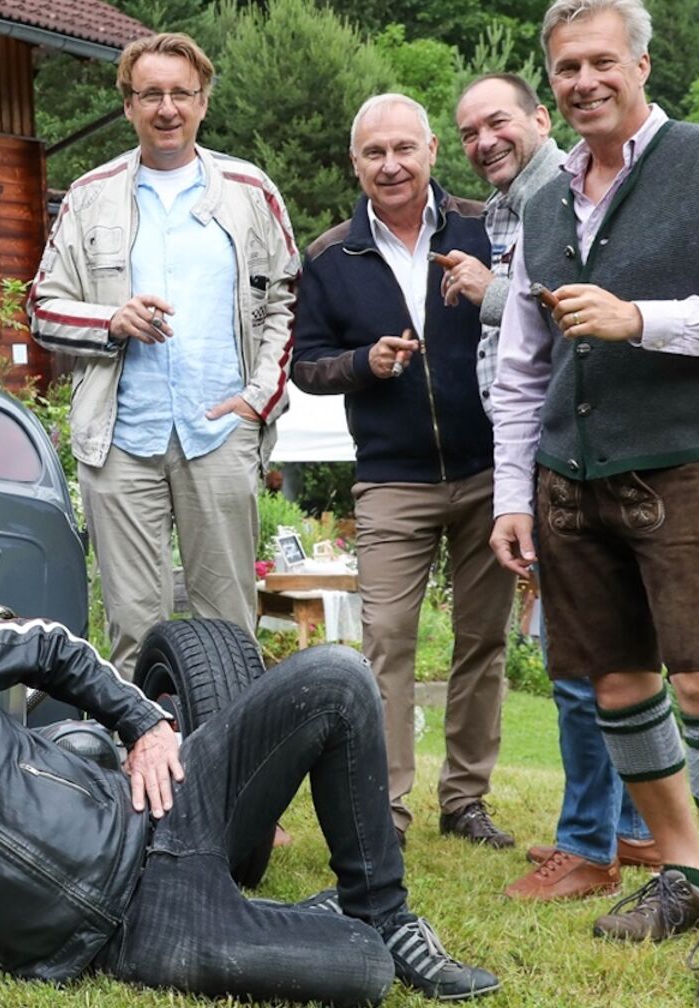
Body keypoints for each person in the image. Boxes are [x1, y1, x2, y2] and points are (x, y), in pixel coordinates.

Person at [0, 580, 499, 1006]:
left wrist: (145, 723)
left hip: (151, 808)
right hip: (126, 929)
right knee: (358, 976)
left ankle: (383, 913)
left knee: (335, 676)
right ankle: (343, 929)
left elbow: (50, 648)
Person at [488, 0, 699, 999]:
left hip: (685, 466)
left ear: (641, 63)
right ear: (553, 86)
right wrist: (512, 493)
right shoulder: (544, 205)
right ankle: (680, 870)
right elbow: (522, 367)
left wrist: (641, 319)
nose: (584, 82)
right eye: (566, 69)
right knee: (618, 687)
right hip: (569, 478)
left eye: (601, 62)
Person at [449, 72, 660, 903]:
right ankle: (633, 830)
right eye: (468, 131)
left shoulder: (565, 198)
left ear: (540, 120)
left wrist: (484, 291)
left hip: (568, 449)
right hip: (546, 450)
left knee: (578, 656)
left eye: (497, 121)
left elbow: (559, 318)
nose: (483, 140)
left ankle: (588, 845)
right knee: (607, 650)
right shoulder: (514, 207)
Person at [28, 32, 298, 671]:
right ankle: (136, 766)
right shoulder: (91, 195)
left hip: (219, 431)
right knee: (132, 631)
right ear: (129, 105)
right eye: (151, 94)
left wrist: (258, 401)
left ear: (204, 102)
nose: (167, 108)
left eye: (182, 93)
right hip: (121, 438)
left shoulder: (249, 189)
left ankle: (232, 766)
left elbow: (288, 299)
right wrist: (111, 320)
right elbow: (41, 307)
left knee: (230, 626)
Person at [290, 94, 515, 848]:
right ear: (355, 164)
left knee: (483, 640)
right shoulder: (328, 257)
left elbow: (531, 326)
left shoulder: (489, 227)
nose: (391, 165)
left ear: (430, 153)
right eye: (374, 153)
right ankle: (384, 807)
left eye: (404, 149)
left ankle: (466, 799)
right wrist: (365, 362)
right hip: (392, 478)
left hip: (489, 468)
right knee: (387, 639)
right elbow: (307, 367)